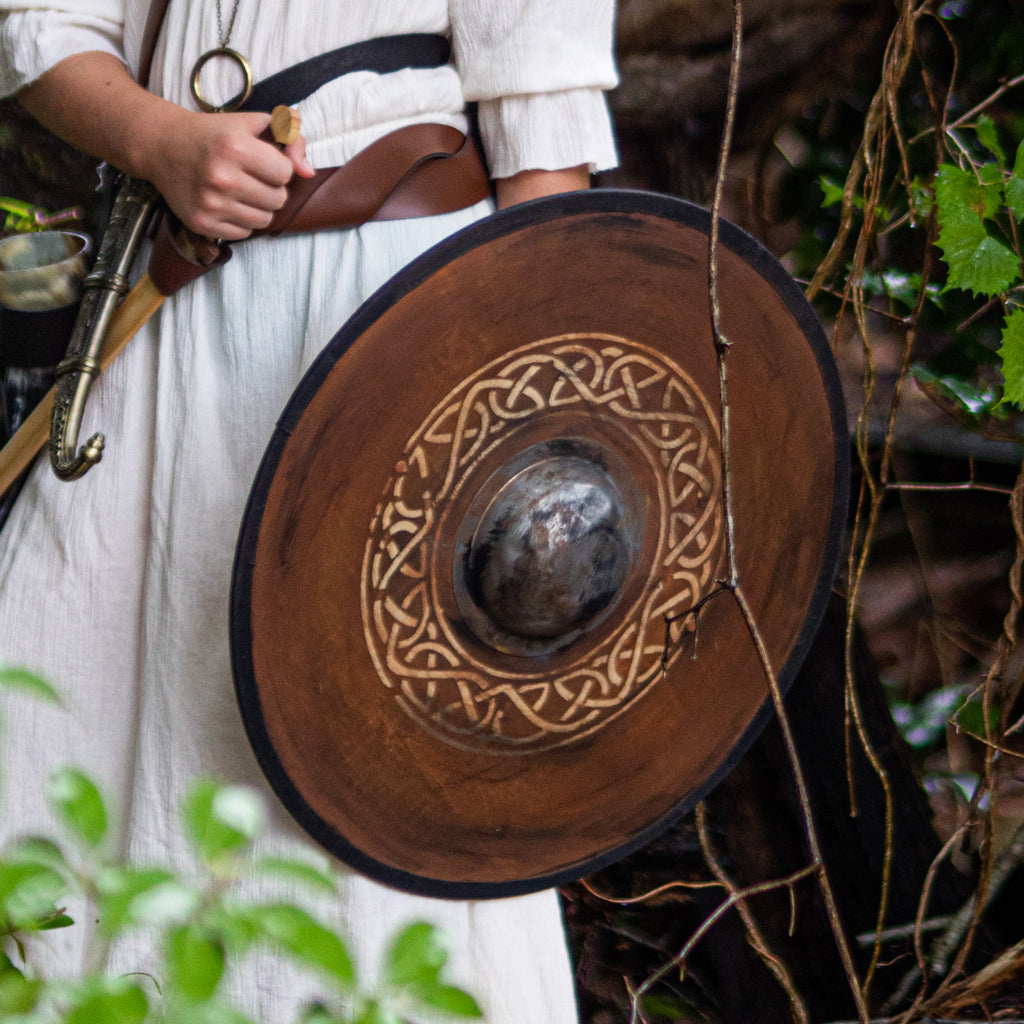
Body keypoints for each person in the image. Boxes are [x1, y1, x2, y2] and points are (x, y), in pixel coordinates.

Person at [0, 1, 617, 1020]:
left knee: (378, 756)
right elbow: (43, 21)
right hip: (175, 299)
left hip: (405, 321)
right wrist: (159, 138)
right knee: (72, 703)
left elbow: (543, 143)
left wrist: (518, 420)